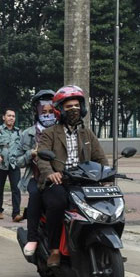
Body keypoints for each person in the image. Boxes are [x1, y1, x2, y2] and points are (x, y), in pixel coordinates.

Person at [38, 85, 108, 267]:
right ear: (60, 109)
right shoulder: (49, 133)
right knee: (58, 203)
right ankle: (54, 250)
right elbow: (42, 157)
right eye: (69, 107)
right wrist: (50, 173)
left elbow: (100, 158)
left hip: (83, 181)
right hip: (59, 181)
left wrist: (107, 176)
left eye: (77, 106)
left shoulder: (87, 133)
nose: (74, 109)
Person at [16, 90, 56, 256]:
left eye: (51, 112)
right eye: (43, 112)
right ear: (37, 112)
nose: (47, 116)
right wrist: (30, 154)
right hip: (36, 177)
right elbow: (16, 161)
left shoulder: (61, 131)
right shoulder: (28, 134)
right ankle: (32, 238)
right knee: (35, 198)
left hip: (61, 177)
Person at [0, 109, 23, 222]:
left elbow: (22, 147)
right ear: (4, 117)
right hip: (0, 164)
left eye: (13, 116)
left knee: (16, 189)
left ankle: (16, 214)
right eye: (9, 116)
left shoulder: (19, 132)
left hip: (14, 164)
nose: (11, 118)